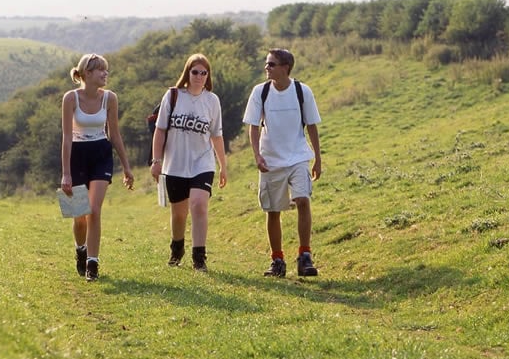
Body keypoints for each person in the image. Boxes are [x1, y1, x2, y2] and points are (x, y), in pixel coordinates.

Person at [242, 48, 322, 277]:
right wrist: (257, 155)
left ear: (285, 67)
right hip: (270, 160)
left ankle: (305, 256)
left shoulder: (302, 91)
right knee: (273, 210)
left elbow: (313, 125)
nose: (267, 67)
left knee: (303, 200)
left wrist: (317, 158)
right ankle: (277, 260)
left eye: (271, 64)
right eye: (267, 64)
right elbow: (253, 126)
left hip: (298, 156)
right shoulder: (260, 92)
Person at [149, 53, 228, 272]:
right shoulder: (173, 96)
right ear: (187, 72)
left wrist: (223, 165)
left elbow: (217, 135)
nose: (199, 77)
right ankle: (177, 247)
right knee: (179, 213)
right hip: (175, 163)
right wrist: (156, 161)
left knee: (199, 204)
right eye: (195, 72)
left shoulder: (212, 101)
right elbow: (160, 130)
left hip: (202, 162)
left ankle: (199, 257)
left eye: (204, 73)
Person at [61, 53, 134, 281]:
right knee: (79, 215)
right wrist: (65, 173)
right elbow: (65, 138)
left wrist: (127, 167)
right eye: (101, 70)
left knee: (94, 209)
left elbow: (115, 134)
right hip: (76, 156)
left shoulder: (110, 98)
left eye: (106, 70)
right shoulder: (70, 98)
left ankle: (93, 264)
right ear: (87, 74)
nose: (105, 74)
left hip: (101, 153)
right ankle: (80, 250)